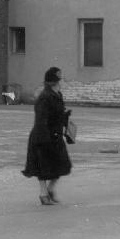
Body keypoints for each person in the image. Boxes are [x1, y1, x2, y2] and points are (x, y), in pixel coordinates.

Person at [23, 65, 72, 205]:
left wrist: (65, 117)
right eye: (58, 81)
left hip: (55, 136)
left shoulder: (57, 95)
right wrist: (44, 139)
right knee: (43, 167)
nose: (60, 84)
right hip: (43, 136)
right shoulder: (44, 98)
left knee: (62, 165)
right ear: (52, 83)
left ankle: (50, 190)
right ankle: (43, 194)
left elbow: (57, 114)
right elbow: (41, 120)